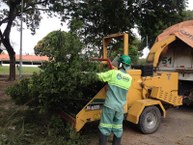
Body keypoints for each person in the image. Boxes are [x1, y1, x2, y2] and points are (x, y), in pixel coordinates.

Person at [97, 55, 132, 145]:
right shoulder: (129, 79)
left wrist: (89, 74)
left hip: (110, 106)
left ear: (120, 64)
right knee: (118, 128)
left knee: (105, 127)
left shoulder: (113, 73)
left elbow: (100, 77)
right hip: (120, 107)